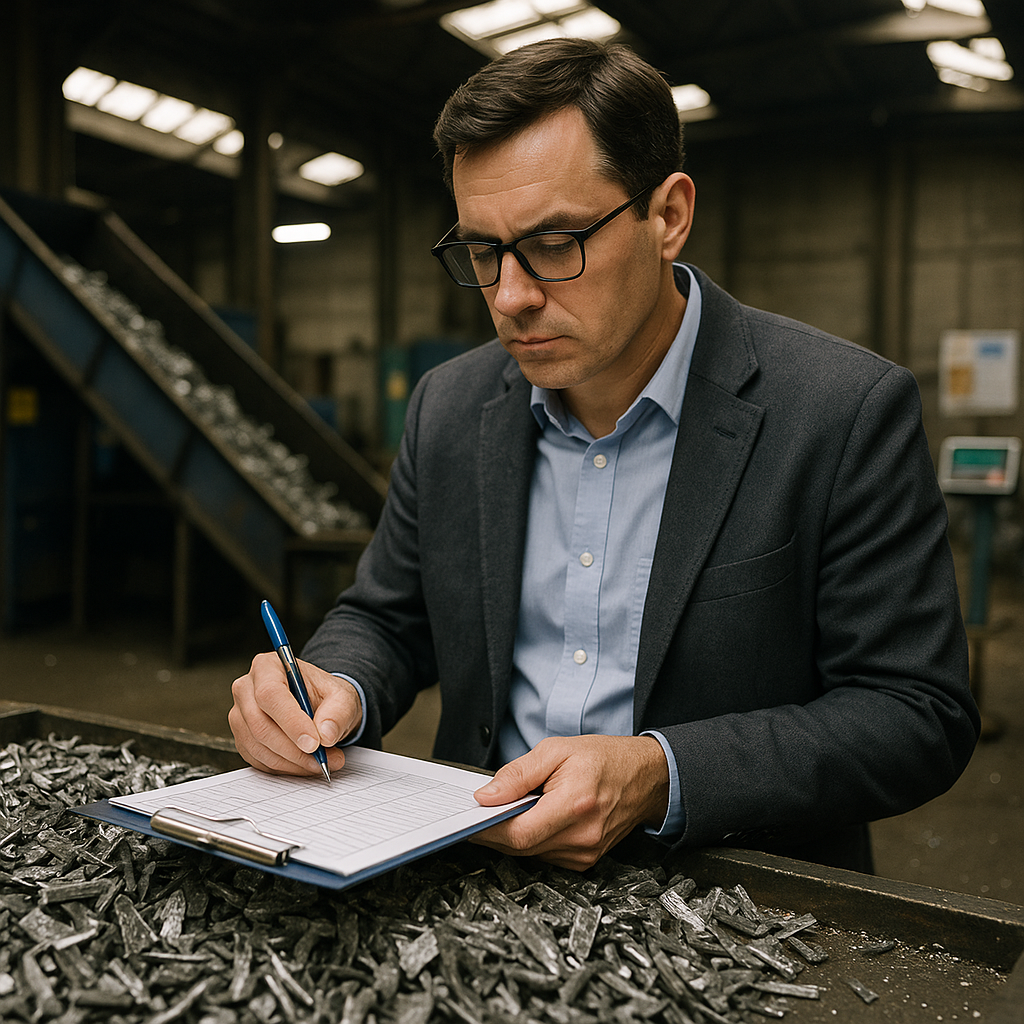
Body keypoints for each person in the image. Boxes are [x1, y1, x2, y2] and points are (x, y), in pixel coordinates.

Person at [229, 38, 979, 874]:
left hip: (733, 901)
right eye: (483, 251)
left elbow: (915, 713)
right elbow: (388, 617)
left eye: (555, 243)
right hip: (475, 867)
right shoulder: (450, 406)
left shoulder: (839, 413)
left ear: (668, 216)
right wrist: (334, 686)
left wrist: (660, 774)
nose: (511, 297)